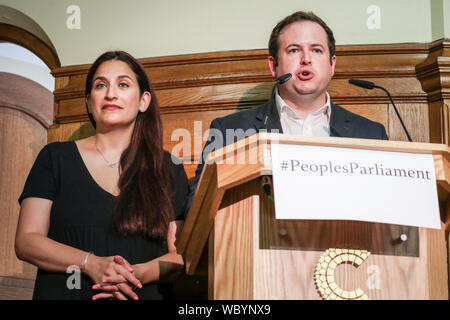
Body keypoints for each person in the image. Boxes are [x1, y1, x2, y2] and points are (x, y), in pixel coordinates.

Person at [15, 51, 189, 300]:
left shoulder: (169, 167)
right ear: (88, 101)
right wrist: (90, 263)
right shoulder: (54, 158)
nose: (111, 94)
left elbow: (179, 255)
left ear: (143, 101)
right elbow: (27, 240)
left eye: (123, 84)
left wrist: (136, 274)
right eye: (100, 85)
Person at [184, 11, 388, 215]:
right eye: (293, 51)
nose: (306, 59)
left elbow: (387, 207)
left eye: (316, 50)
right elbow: (197, 209)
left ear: (332, 64)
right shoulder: (229, 130)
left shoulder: (371, 133)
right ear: (273, 65)